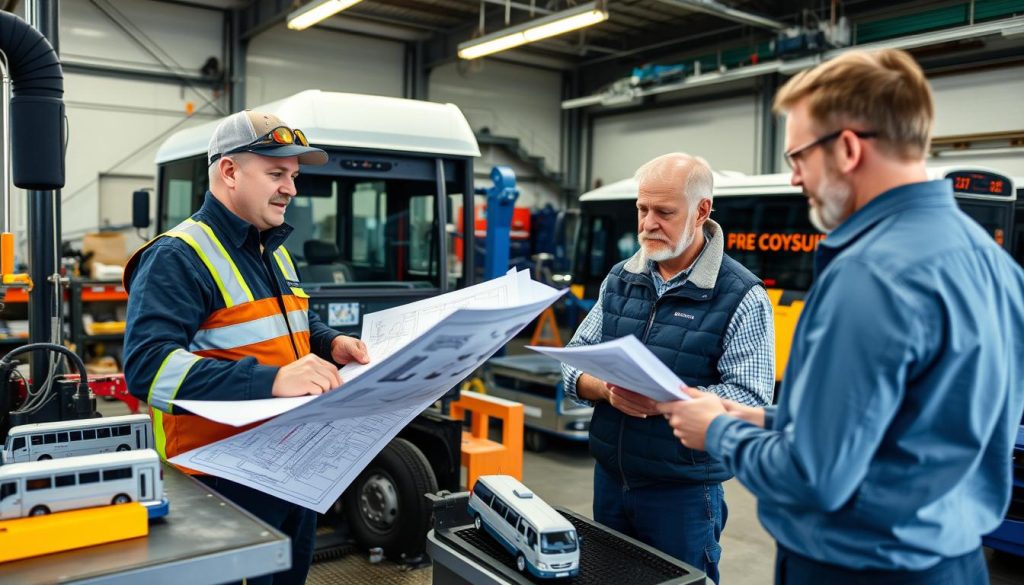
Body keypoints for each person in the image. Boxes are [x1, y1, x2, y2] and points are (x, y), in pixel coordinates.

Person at [657, 49, 1024, 584]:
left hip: (856, 568)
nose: (793, 180)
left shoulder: (870, 274)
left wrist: (716, 432)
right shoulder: (993, 263)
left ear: (848, 148)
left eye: (798, 157)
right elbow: (909, 430)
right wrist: (755, 418)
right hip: (953, 565)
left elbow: (815, 476)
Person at [124, 109, 370, 584]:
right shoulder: (177, 257)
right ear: (230, 171)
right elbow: (148, 368)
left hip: (287, 467)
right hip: (218, 485)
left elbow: (291, 319)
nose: (291, 189)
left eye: (294, 176)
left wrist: (330, 341)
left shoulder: (270, 246)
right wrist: (274, 379)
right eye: (276, 173)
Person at [561, 153, 775, 583]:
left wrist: (669, 401)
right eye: (642, 209)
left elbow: (752, 399)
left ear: (701, 211)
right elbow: (572, 359)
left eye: (664, 212)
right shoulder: (620, 279)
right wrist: (603, 389)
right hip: (611, 480)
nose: (647, 224)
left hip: (684, 495)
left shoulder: (741, 296)